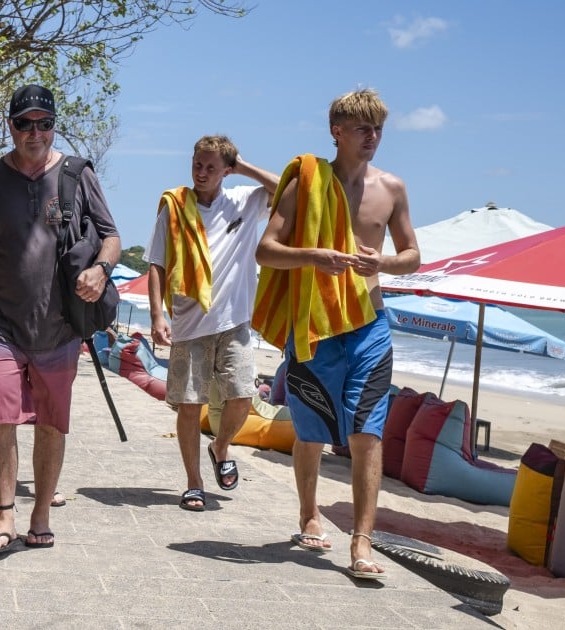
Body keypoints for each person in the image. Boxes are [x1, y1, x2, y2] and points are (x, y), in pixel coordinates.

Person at [0, 84, 120, 556]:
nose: (34, 133)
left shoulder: (77, 175)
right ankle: (4, 516)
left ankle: (40, 514)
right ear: (10, 126)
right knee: (0, 411)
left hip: (60, 327)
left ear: (53, 126)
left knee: (51, 423)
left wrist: (101, 270)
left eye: (44, 123)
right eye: (24, 124)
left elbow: (111, 236)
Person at [253, 88, 420, 580]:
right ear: (337, 132)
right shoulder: (306, 184)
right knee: (312, 431)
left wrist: (383, 262)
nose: (373, 137)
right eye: (363, 129)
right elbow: (266, 250)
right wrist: (313, 256)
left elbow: (412, 256)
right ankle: (309, 513)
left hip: (370, 326)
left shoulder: (392, 187)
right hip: (315, 327)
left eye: (378, 129)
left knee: (366, 432)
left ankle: (361, 540)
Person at [144, 136, 278, 511]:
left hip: (235, 322)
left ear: (226, 171)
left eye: (211, 168)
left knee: (242, 396)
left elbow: (288, 189)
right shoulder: (174, 208)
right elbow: (156, 264)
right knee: (190, 406)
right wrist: (156, 314)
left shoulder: (243, 201)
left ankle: (220, 446)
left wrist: (243, 165)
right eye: (197, 165)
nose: (201, 173)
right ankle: (194, 482)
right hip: (189, 323)